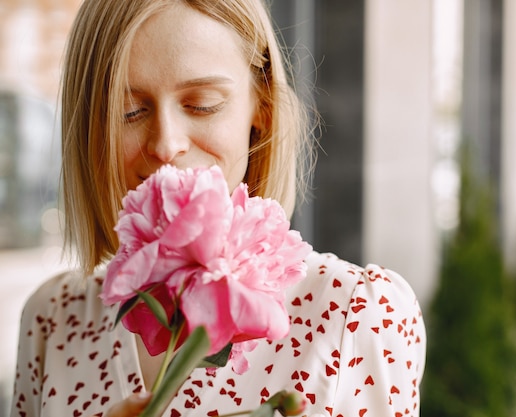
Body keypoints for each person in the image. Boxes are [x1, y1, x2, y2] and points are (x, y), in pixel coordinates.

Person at [11, 1, 426, 416]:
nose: (165, 144)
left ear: (261, 108)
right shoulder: (53, 319)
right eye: (129, 111)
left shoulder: (358, 313)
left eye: (202, 104)